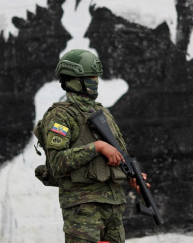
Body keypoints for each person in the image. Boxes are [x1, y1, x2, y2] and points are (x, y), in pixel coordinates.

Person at [35, 49, 149, 243]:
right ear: (72, 80)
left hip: (113, 205)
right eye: (90, 76)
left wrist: (132, 175)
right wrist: (96, 147)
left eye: (96, 76)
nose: (95, 81)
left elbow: (120, 154)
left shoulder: (102, 113)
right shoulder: (60, 116)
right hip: (83, 208)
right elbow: (57, 163)